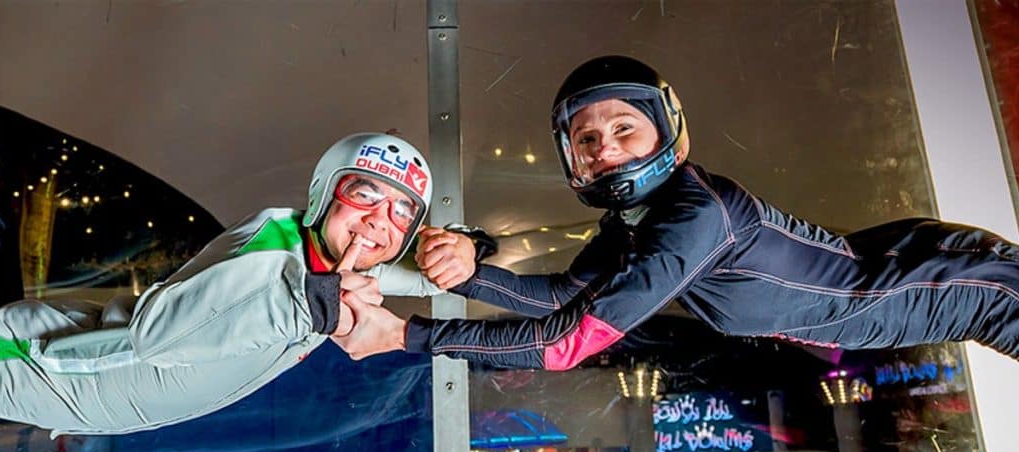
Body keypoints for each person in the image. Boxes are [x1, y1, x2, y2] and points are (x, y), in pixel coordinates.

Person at [335, 55, 1019, 368]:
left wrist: (407, 337)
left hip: (969, 286)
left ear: (669, 133)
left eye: (625, 128)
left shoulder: (695, 216)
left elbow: (567, 342)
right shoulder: (632, 228)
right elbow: (561, 296)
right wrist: (459, 264)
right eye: (587, 139)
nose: (605, 149)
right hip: (923, 270)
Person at [0, 132, 484, 436]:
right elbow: (155, 337)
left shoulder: (338, 267)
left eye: (401, 212)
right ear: (325, 193)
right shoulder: (274, 250)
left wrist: (466, 249)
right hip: (28, 361)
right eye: (364, 194)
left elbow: (429, 276)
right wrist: (312, 309)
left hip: (69, 396)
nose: (380, 220)